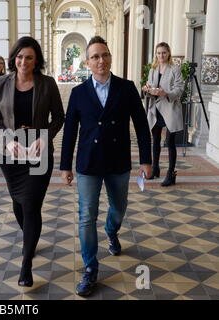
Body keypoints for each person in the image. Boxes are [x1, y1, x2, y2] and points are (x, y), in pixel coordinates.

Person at [60, 36, 152, 296]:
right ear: (87, 62)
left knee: (119, 207)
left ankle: (111, 230)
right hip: (88, 164)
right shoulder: (78, 93)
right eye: (95, 57)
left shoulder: (127, 87)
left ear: (110, 57)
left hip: (118, 161)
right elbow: (69, 132)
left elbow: (142, 126)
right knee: (86, 216)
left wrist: (146, 160)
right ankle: (90, 268)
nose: (101, 60)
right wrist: (65, 166)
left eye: (105, 55)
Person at [0, 36, 65, 287]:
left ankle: (26, 263)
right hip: (10, 155)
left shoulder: (48, 84)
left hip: (37, 153)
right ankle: (30, 237)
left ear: (36, 60)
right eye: (19, 56)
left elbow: (59, 117)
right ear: (14, 58)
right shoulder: (1, 83)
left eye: (29, 57)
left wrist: (44, 136)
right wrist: (7, 139)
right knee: (18, 204)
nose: (23, 61)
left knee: (31, 205)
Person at [142, 42, 184, 187]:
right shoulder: (153, 69)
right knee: (155, 140)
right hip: (156, 108)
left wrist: (166, 93)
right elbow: (149, 84)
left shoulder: (175, 69)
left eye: (164, 52)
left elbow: (179, 89)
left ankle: (171, 174)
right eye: (159, 53)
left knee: (170, 142)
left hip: (170, 108)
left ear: (169, 53)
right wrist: (147, 88)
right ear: (156, 54)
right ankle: (155, 169)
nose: (161, 55)